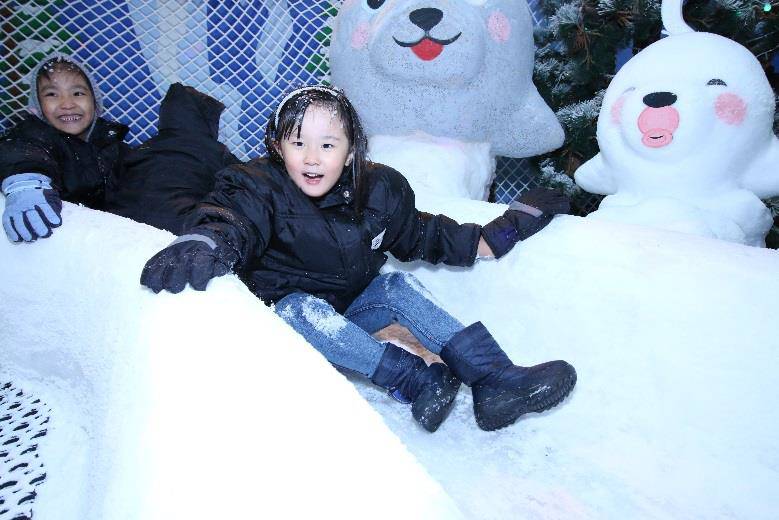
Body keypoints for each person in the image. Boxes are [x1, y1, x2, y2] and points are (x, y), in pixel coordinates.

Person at [140, 85, 577, 433]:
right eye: (298, 143)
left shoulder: (380, 191)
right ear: (277, 146)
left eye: (328, 144)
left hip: (347, 316)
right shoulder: (256, 184)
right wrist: (204, 242)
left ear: (351, 151)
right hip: (280, 327)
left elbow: (428, 235)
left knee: (393, 286)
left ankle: (494, 381)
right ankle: (414, 380)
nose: (312, 157)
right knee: (298, 307)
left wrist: (510, 226)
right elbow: (231, 217)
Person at [0, 53, 129, 243]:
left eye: (78, 93)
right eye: (52, 94)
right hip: (56, 241)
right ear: (37, 106)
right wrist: (26, 182)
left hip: (104, 244)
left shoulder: (112, 146)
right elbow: (20, 151)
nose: (67, 104)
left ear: (95, 103)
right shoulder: (36, 136)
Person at [105, 83, 241, 235]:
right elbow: (243, 179)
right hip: (179, 224)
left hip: (121, 221)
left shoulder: (143, 148)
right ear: (207, 121)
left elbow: (113, 183)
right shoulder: (215, 150)